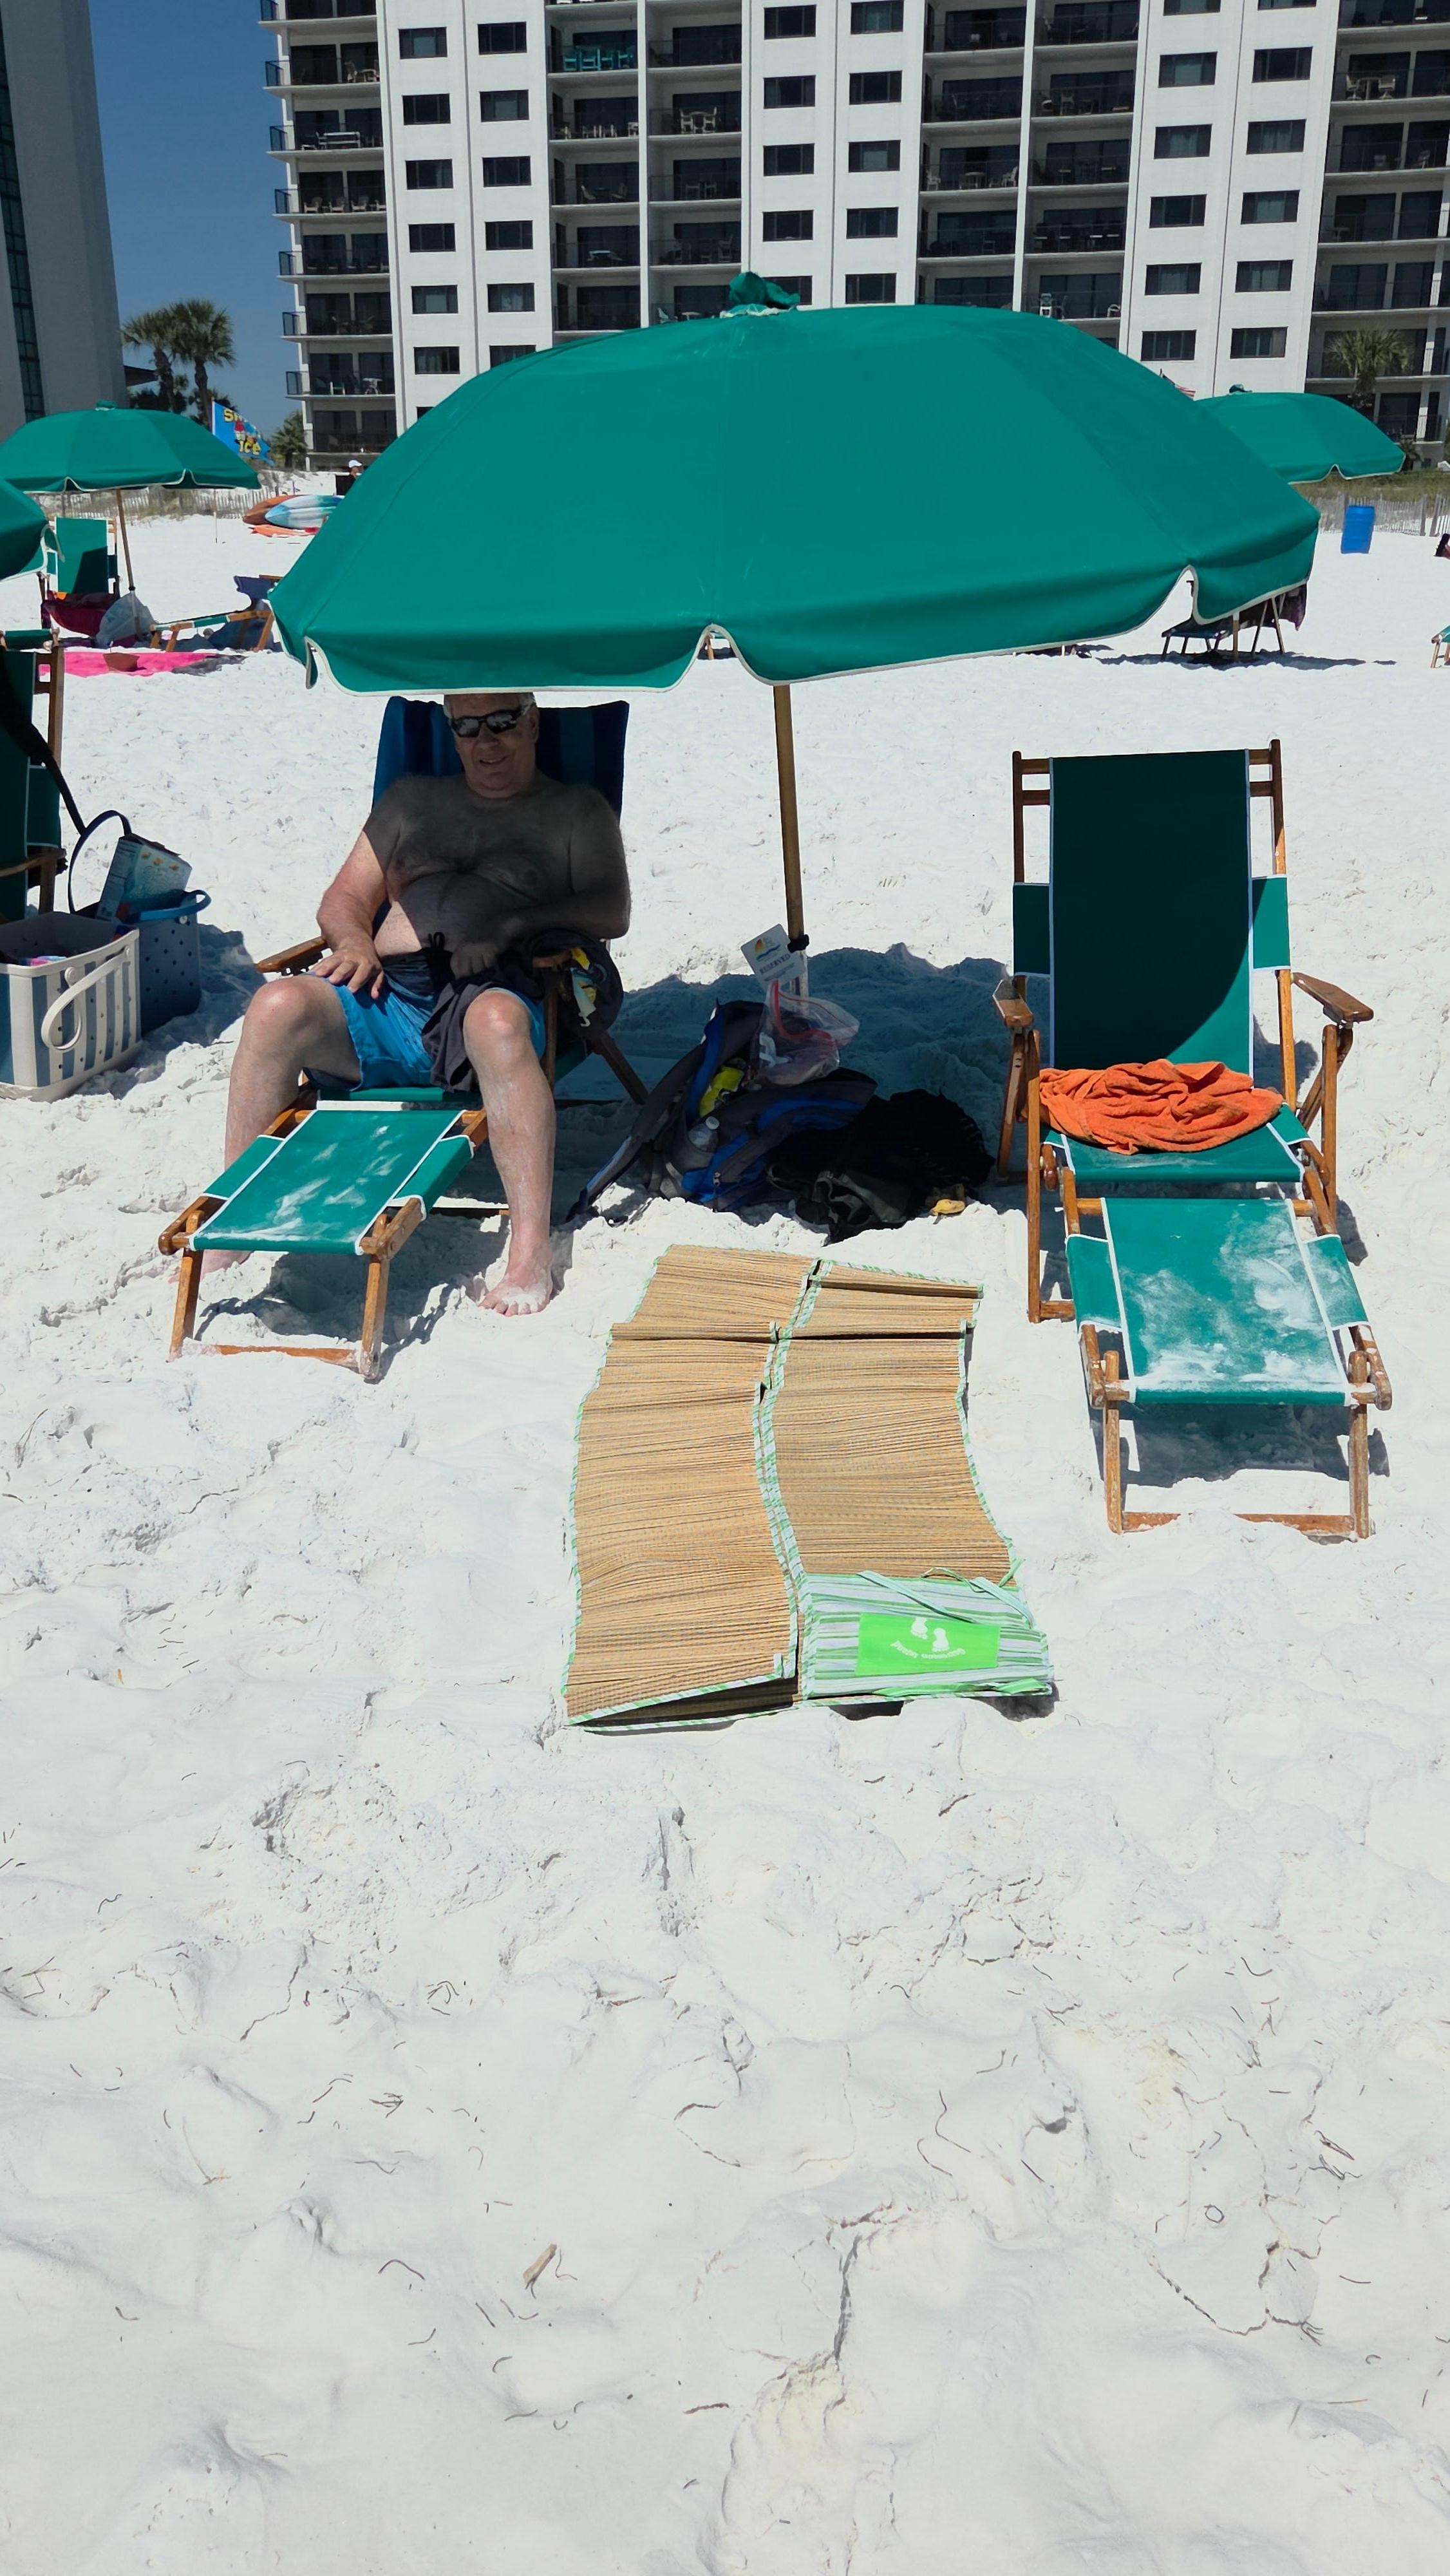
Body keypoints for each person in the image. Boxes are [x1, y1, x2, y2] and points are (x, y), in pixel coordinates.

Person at [217, 691, 630, 1315]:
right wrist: (355, 939)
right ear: (450, 732)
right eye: (467, 727)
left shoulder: (573, 810)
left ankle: (528, 1253)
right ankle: (234, 1215)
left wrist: (513, 924)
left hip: (492, 990)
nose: (486, 742)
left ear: (533, 722)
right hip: (386, 997)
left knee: (494, 1021)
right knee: (275, 1004)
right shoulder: (409, 801)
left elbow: (610, 910)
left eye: (502, 722)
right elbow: (343, 899)